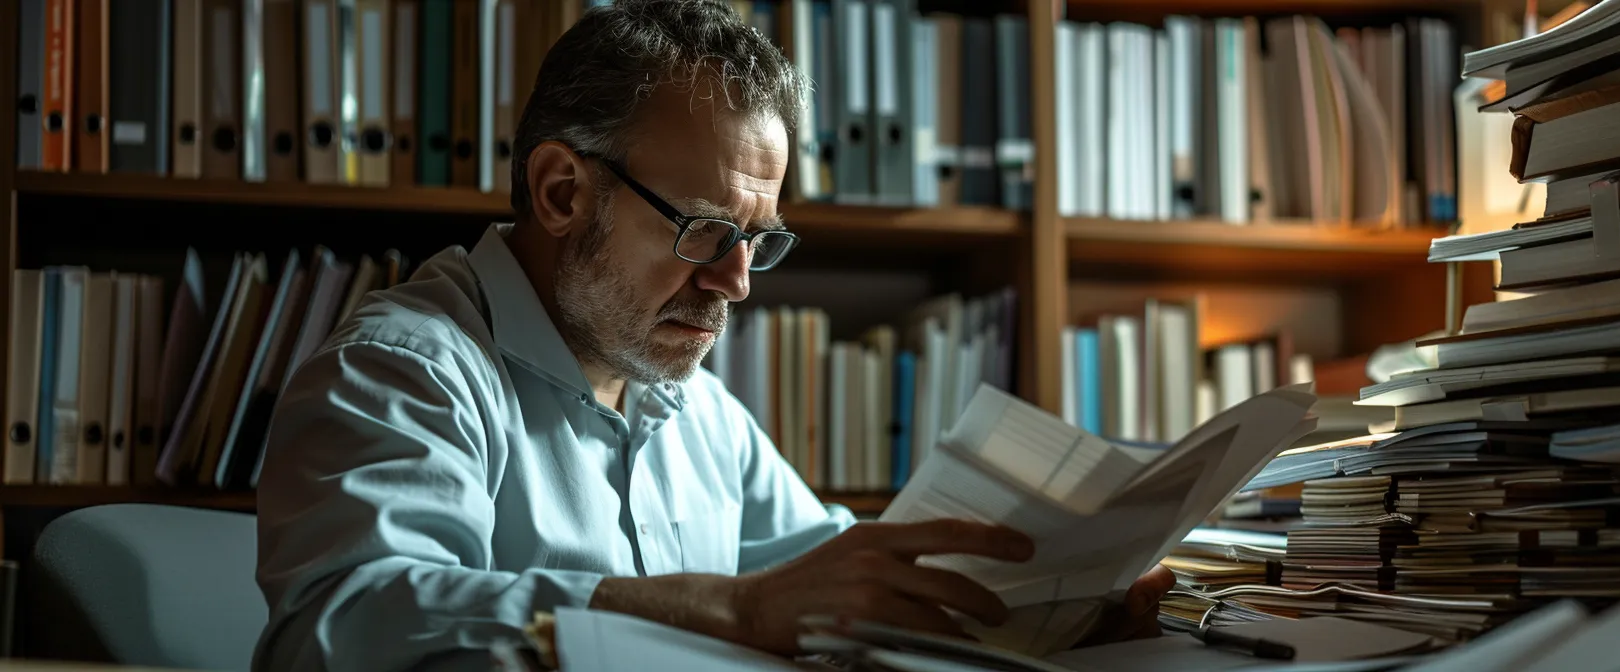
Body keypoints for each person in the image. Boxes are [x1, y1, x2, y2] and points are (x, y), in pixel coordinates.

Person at [252, 1, 1174, 670]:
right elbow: (338, 625)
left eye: (758, 241)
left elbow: (828, 575)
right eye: (704, 230)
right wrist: (730, 611)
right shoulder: (404, 370)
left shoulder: (695, 409)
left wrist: (1046, 608)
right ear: (563, 192)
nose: (736, 281)